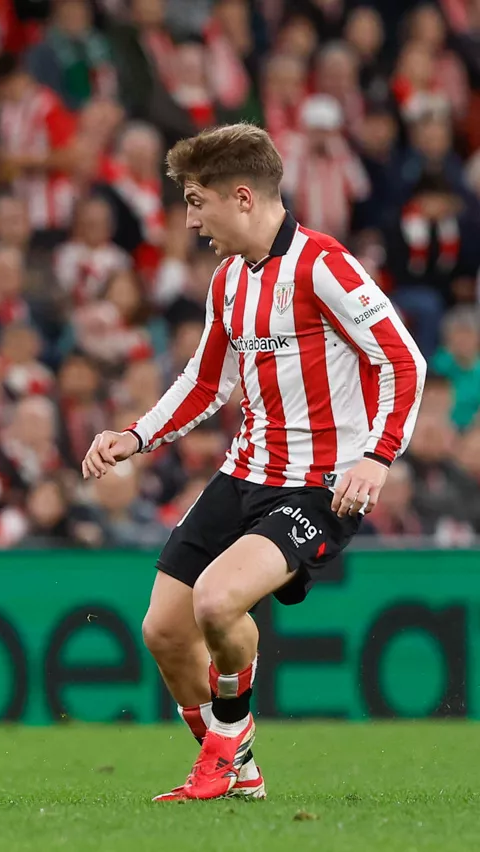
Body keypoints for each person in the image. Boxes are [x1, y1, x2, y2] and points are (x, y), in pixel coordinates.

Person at [81, 123, 425, 802]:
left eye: (196, 200)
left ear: (242, 197)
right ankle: (240, 773)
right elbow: (209, 381)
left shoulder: (325, 266)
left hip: (319, 488)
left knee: (216, 600)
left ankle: (226, 745)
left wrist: (378, 459)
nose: (190, 219)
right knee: (164, 632)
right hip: (244, 475)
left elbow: (404, 362)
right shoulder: (230, 280)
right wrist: (137, 435)